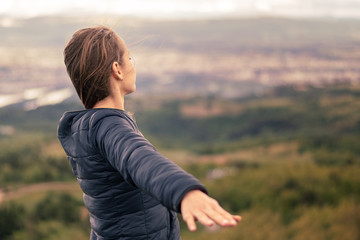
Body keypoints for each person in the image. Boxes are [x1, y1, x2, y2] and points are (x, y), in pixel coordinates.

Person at [57, 26, 241, 240]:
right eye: (129, 58)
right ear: (117, 69)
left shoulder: (89, 130)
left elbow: (107, 215)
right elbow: (140, 159)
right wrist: (185, 191)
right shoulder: (109, 127)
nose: (133, 65)